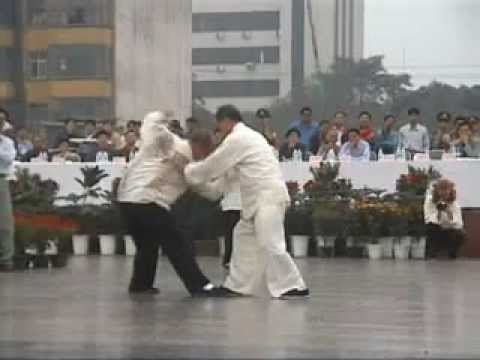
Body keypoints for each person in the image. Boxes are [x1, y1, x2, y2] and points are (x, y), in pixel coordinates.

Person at [185, 105, 309, 299]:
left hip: (268, 197)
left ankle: (293, 285)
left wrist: (188, 173)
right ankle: (237, 285)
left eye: (219, 125)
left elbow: (213, 165)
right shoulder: (246, 142)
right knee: (241, 237)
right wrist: (195, 185)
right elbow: (221, 186)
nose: (219, 131)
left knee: (271, 242)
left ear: (225, 121)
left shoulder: (239, 138)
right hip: (256, 202)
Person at [117, 111, 222, 296]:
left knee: (147, 244)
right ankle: (200, 286)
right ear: (199, 145)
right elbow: (208, 189)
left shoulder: (171, 144)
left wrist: (161, 115)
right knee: (177, 245)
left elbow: (149, 122)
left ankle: (140, 285)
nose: (206, 156)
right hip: (148, 200)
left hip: (126, 200)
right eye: (207, 151)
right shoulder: (177, 148)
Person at [424, 179, 465, 259]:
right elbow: (428, 219)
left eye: (446, 189)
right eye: (441, 189)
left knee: (461, 234)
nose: (444, 192)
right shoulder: (430, 201)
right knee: (431, 227)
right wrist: (439, 213)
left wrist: (449, 214)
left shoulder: (454, 204)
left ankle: (452, 253)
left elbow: (459, 224)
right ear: (437, 190)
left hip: (449, 230)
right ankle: (432, 253)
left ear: (450, 190)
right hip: (436, 229)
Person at [0, 111, 16, 272]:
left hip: (1, 180)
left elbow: (8, 159)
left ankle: (6, 259)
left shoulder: (7, 142)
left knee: (5, 221)